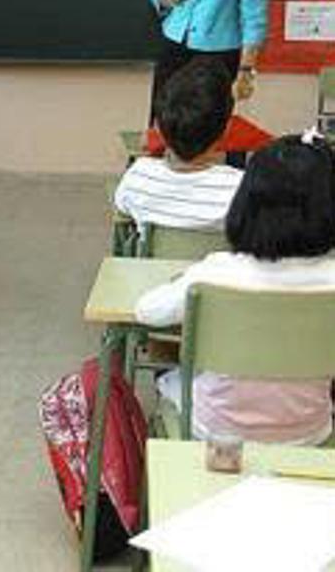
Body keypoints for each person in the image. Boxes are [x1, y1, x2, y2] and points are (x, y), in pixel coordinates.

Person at [135, 134, 335, 444]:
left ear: (246, 202)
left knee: (172, 380)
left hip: (215, 433)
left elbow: (146, 312)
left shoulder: (216, 273)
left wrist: (182, 280)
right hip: (310, 433)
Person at [114, 58, 243, 233]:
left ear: (158, 127)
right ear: (227, 129)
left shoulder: (137, 177)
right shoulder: (243, 189)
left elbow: (122, 213)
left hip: (154, 261)